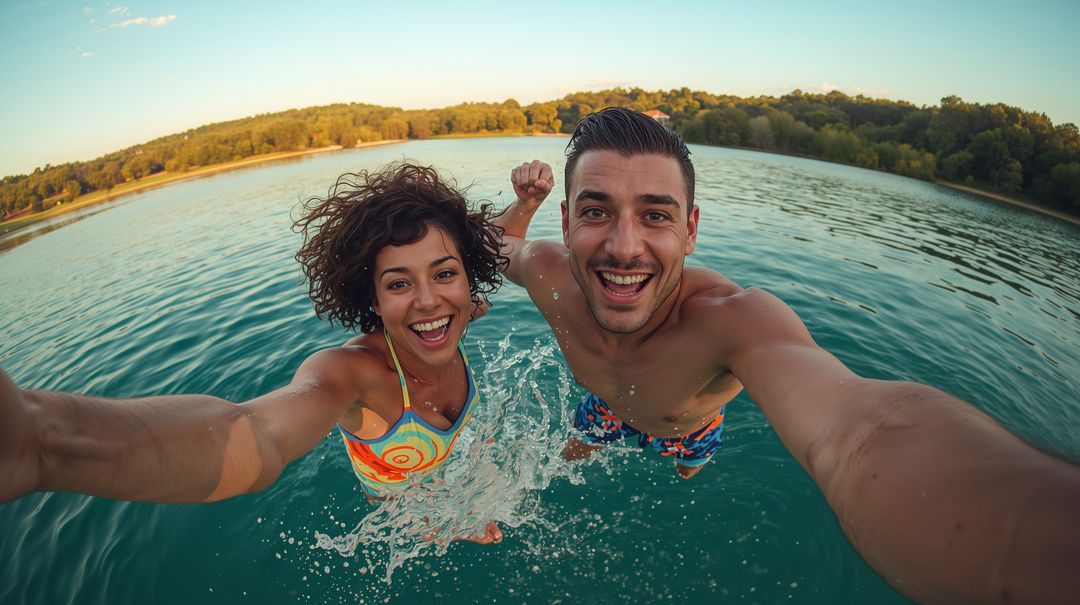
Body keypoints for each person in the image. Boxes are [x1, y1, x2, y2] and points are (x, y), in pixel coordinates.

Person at [494, 107, 1080, 603]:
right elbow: (490, 246)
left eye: (655, 215)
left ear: (691, 230)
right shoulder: (547, 271)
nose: (624, 247)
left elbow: (858, 428)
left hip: (689, 426)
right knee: (572, 455)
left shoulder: (734, 320)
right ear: (566, 222)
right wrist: (524, 203)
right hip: (604, 405)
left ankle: (689, 463)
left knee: (689, 467)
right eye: (596, 211)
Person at [0, 162, 504, 543]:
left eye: (444, 273)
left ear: (466, 277)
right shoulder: (350, 373)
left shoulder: (459, 315)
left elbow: (499, 248)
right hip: (404, 509)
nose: (429, 301)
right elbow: (257, 432)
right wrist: (47, 440)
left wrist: (524, 205)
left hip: (455, 463)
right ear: (371, 299)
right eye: (399, 284)